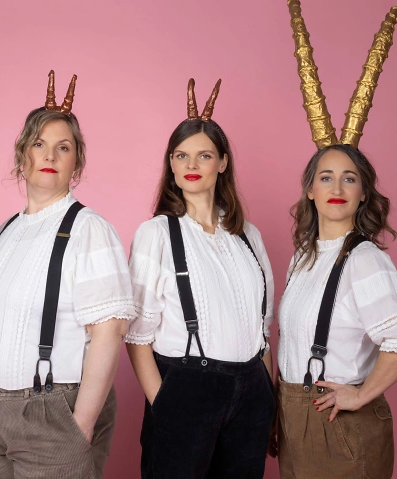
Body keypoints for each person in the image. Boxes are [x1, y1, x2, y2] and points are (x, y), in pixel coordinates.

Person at [274, 2, 397, 477]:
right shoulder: (303, 257)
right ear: (310, 190)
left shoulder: (364, 259)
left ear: (363, 194)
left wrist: (361, 393)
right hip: (294, 416)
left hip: (340, 424)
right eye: (326, 177)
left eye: (349, 178)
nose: (336, 187)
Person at [0, 71, 135, 479]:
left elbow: (109, 331)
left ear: (77, 162)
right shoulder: (6, 230)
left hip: (51, 415)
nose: (50, 156)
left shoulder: (89, 228)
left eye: (64, 147)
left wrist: (81, 425)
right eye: (39, 144)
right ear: (22, 154)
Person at [126, 79, 275, 479]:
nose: (191, 166)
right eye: (182, 156)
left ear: (222, 163)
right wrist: (164, 405)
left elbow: (261, 330)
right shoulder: (157, 233)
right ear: (171, 164)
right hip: (186, 389)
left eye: (204, 155)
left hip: (252, 392)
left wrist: (268, 397)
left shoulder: (248, 236)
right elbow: (137, 336)